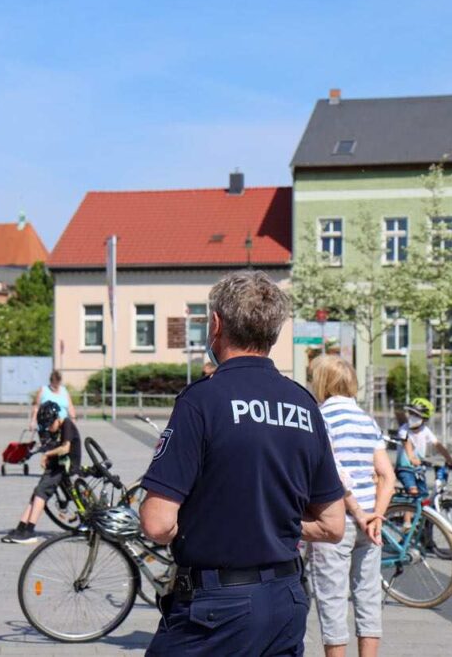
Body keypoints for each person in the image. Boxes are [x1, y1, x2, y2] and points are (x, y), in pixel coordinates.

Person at [139, 271, 346, 656]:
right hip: (285, 601)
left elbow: (157, 522)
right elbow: (333, 525)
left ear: (216, 324)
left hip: (216, 609)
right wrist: (270, 523)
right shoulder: (304, 405)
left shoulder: (202, 401)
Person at [308, 355, 396, 657]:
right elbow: (388, 476)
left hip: (336, 521)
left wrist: (357, 512)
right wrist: (376, 517)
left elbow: (333, 472)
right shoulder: (367, 420)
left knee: (332, 599)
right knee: (368, 596)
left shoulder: (320, 418)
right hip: (371, 525)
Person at [2, 400, 81, 544]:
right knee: (37, 493)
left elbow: (65, 448)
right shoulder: (56, 428)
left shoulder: (67, 424)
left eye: (50, 425)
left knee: (41, 492)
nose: (49, 429)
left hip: (66, 466)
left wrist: (47, 455)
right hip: (57, 464)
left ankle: (30, 531)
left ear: (57, 418)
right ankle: (21, 527)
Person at [395, 397, 452, 497]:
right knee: (414, 492)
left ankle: (412, 512)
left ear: (424, 418)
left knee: (423, 496)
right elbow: (406, 442)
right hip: (404, 469)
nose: (412, 417)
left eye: (416, 415)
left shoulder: (425, 430)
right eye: (411, 413)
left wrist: (451, 461)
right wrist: (411, 457)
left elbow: (438, 446)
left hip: (419, 469)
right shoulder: (404, 429)